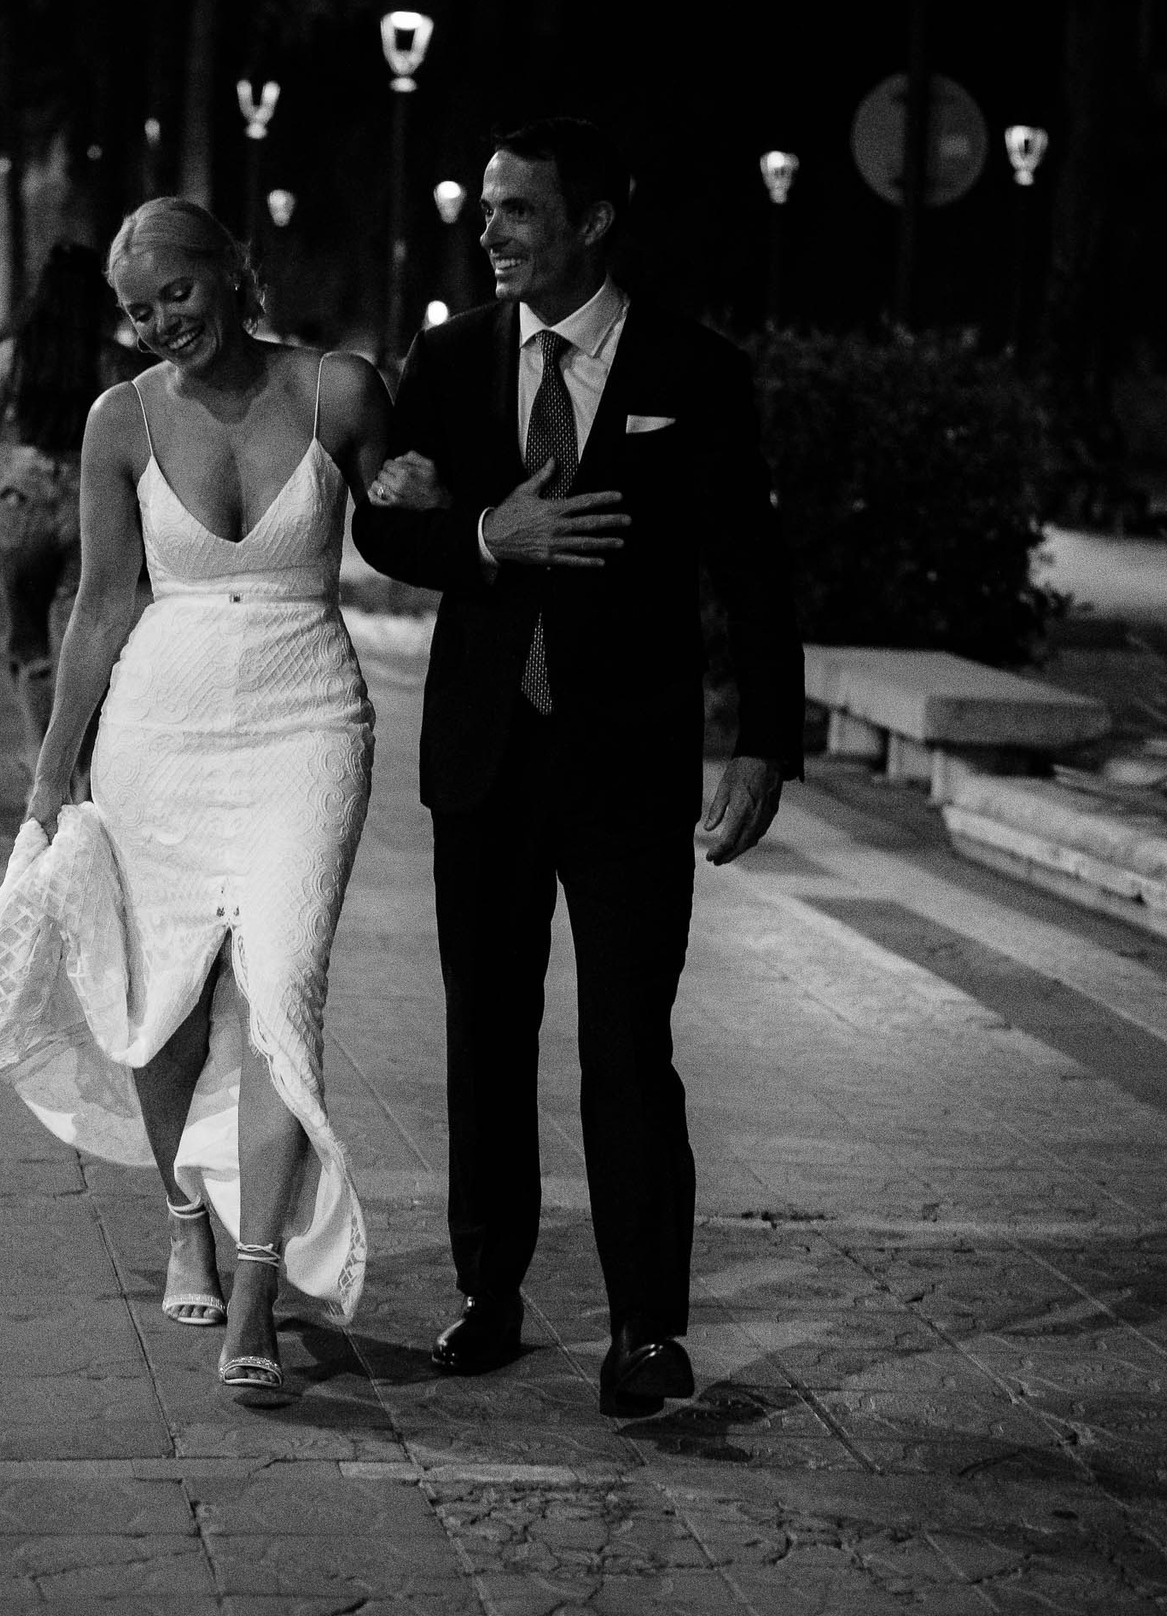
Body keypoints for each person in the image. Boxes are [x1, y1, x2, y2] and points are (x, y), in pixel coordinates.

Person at [351, 118, 804, 1420]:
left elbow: (752, 567)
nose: (490, 231)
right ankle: (488, 1294)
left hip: (627, 756)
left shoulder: (692, 366)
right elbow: (389, 522)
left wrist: (767, 740)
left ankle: (646, 1330)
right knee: (486, 1033)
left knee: (627, 1042)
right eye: (487, 207)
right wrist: (490, 532)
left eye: (518, 211)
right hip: (487, 749)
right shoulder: (445, 359)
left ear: (594, 220)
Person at [0, 199, 401, 1393]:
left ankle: (255, 1289)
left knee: (282, 987)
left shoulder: (339, 388)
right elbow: (100, 602)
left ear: (234, 272)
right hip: (158, 729)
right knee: (166, 1007)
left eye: (175, 296)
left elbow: (395, 532)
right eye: (135, 312)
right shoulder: (117, 420)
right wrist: (49, 772)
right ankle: (183, 1209)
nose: (158, 325)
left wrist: (426, 496)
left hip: (307, 718)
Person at [0, 242, 142, 755]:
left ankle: (41, 766)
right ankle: (75, 771)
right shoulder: (112, 361)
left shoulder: (13, 355)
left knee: (30, 642)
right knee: (79, 644)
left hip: (22, 500)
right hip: (90, 505)